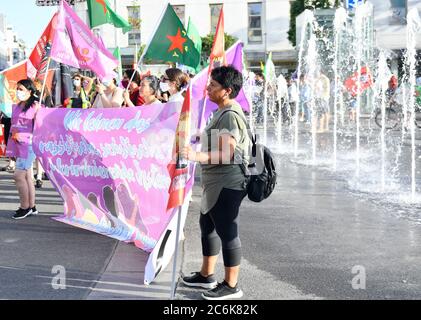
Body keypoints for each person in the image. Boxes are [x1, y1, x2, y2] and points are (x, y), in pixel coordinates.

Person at [180, 66, 250, 300]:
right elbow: (218, 138)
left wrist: (196, 156)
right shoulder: (222, 110)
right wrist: (201, 135)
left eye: (213, 86)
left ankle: (232, 286)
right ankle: (206, 276)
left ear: (227, 90)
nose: (207, 88)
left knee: (227, 231)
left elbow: (228, 153)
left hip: (227, 182)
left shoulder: (230, 114)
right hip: (214, 182)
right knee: (207, 227)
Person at [6, 79, 41, 220]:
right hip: (17, 144)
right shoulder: (17, 105)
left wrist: (39, 113)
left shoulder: (36, 106)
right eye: (17, 89)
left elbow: (41, 126)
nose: (18, 92)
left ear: (30, 91)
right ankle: (31, 206)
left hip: (29, 145)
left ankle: (24, 207)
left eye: (21, 89)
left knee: (18, 176)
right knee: (26, 176)